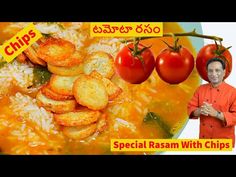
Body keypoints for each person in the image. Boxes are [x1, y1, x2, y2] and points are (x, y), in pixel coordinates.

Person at [187, 57, 236, 147]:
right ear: (207, 72)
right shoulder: (200, 89)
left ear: (224, 72)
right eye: (210, 71)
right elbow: (191, 107)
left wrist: (216, 114)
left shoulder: (233, 92)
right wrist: (199, 111)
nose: (213, 74)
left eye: (217, 70)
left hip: (224, 143)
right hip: (204, 141)